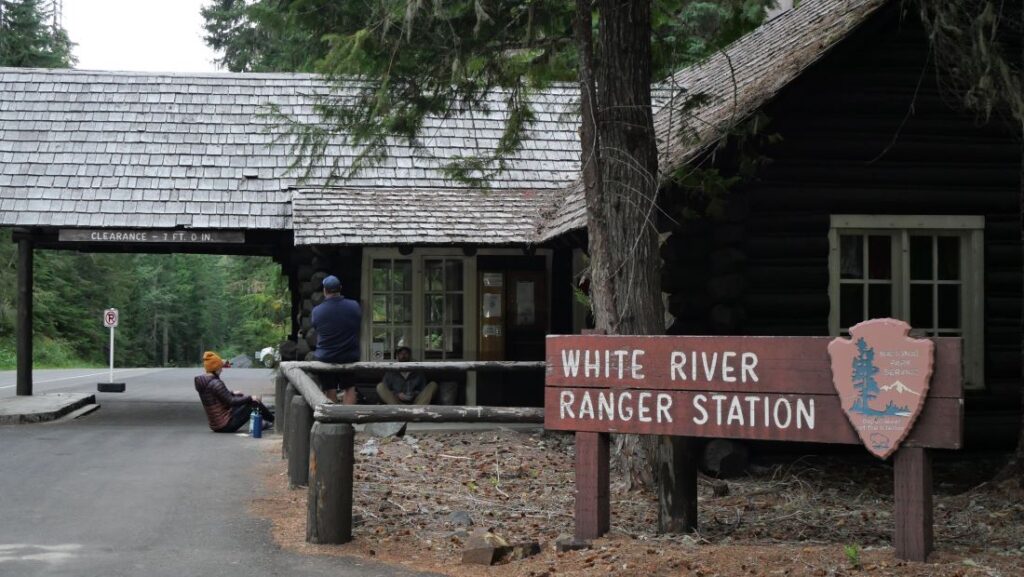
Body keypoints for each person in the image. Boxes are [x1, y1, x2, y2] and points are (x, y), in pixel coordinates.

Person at [194, 351, 274, 433]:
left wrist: (232, 393)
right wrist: (250, 397)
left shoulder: (204, 382)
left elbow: (218, 397)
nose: (222, 370)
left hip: (216, 425)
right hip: (226, 425)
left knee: (240, 396)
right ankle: (274, 421)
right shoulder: (216, 383)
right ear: (216, 368)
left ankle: (262, 421)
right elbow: (231, 401)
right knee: (254, 402)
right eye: (220, 367)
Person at [311, 274, 362, 403]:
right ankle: (348, 420)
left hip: (326, 357)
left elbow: (316, 328)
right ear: (341, 288)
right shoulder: (354, 306)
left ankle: (331, 420)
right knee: (350, 388)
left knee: (330, 388)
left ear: (324, 290)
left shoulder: (317, 311)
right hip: (349, 355)